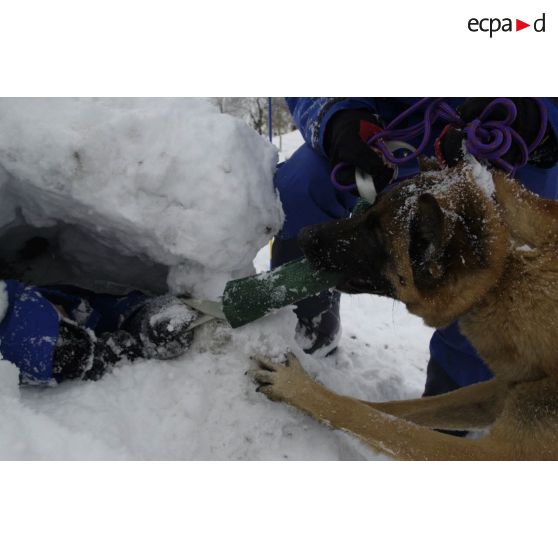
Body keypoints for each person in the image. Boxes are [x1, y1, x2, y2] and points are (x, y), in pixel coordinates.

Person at [273, 97, 558, 401]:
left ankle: (454, 398)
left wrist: (544, 121)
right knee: (301, 188)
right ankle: (308, 321)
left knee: (488, 283)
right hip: (386, 130)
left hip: (513, 151)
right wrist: (333, 114)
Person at [0, 263, 198, 386]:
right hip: (36, 342)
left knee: (82, 308)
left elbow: (105, 310)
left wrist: (138, 312)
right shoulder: (42, 349)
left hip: (31, 312)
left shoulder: (29, 303)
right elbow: (101, 358)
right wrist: (141, 336)